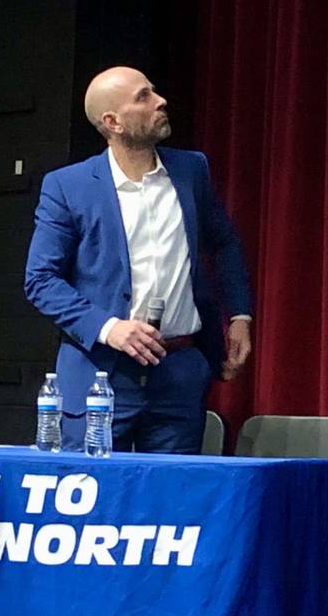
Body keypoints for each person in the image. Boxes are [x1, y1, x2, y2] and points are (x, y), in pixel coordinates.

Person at [24, 66, 253, 453]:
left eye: (154, 91)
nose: (160, 101)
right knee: (91, 498)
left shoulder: (190, 170)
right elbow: (40, 280)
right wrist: (108, 326)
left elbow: (225, 241)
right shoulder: (68, 186)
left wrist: (241, 316)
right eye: (143, 97)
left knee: (172, 503)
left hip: (178, 370)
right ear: (112, 122)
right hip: (101, 372)